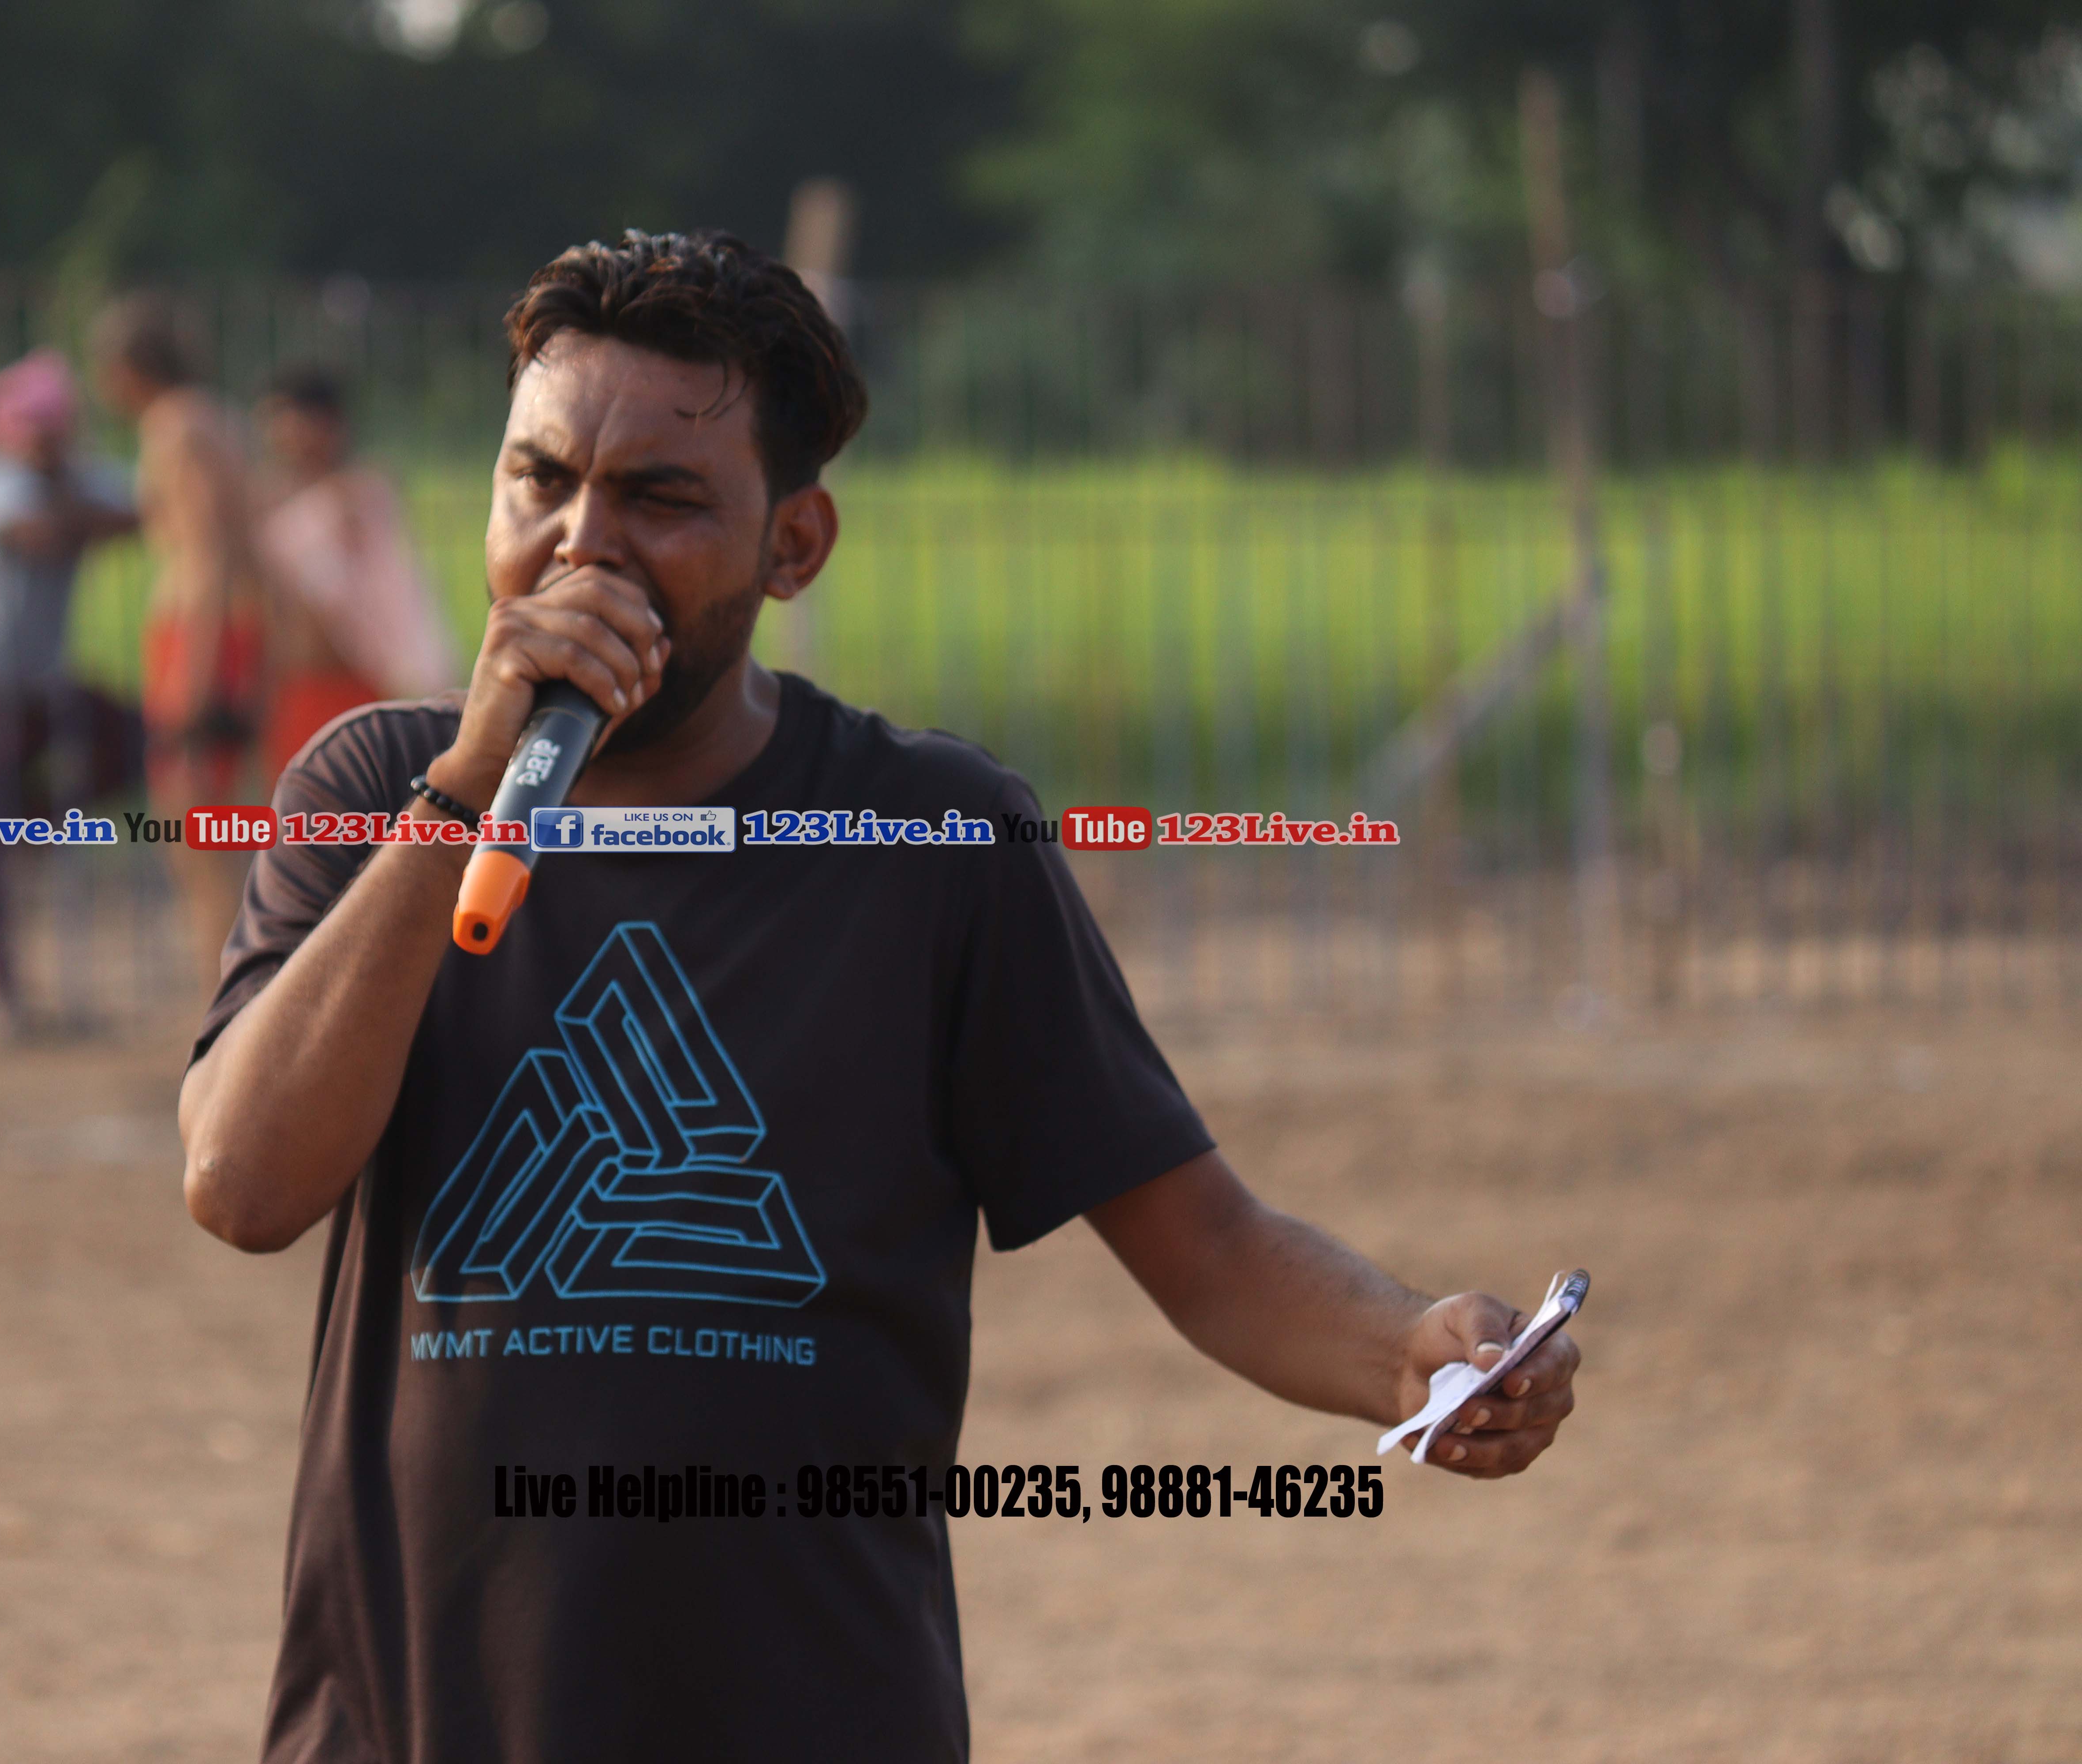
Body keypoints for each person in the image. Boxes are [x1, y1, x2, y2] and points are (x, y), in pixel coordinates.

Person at [176, 232, 1581, 1764]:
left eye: (659, 498)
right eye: (541, 481)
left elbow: (1209, 1246)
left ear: (795, 545)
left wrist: (1409, 1352)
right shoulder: (377, 790)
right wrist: (465, 793)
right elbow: (243, 1183)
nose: (583, 546)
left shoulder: (933, 838)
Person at [89, 294, 322, 989]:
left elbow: (210, 555)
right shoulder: (218, 419)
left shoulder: (175, 428)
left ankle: (226, 998)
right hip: (234, 633)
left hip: (199, 635)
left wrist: (189, 685)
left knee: (195, 832)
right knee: (234, 828)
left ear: (128, 367)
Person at [0, 348, 143, 1029]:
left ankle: (30, 828)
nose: (47, 441)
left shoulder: (83, 477)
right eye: (34, 429)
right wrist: (89, 513)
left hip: (41, 680)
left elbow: (141, 516)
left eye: (55, 427)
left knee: (135, 743)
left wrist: (89, 508)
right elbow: (39, 534)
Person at [254, 363, 462, 762]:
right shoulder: (273, 501)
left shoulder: (359, 496)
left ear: (329, 424)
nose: (281, 434)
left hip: (351, 685)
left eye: (292, 420)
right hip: (291, 687)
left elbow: (395, 590)